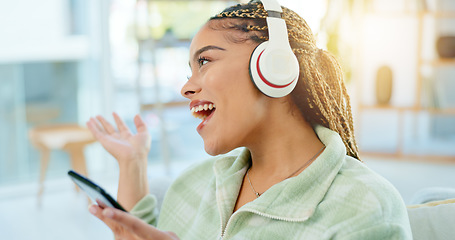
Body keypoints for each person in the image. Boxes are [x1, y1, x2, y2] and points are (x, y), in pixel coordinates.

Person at [86, 0, 412, 239]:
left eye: (205, 61)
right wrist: (132, 163)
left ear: (274, 67)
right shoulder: (193, 183)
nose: (186, 87)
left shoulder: (365, 210)